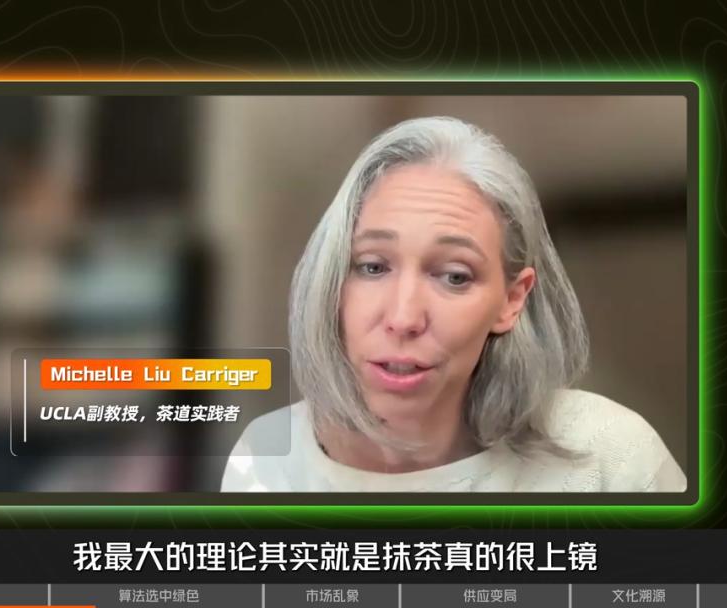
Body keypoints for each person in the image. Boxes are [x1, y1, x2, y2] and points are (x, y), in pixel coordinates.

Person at [221, 116, 686, 492]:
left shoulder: (609, 458)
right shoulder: (267, 459)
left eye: (454, 276)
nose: (404, 318)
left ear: (512, 300)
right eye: (373, 267)